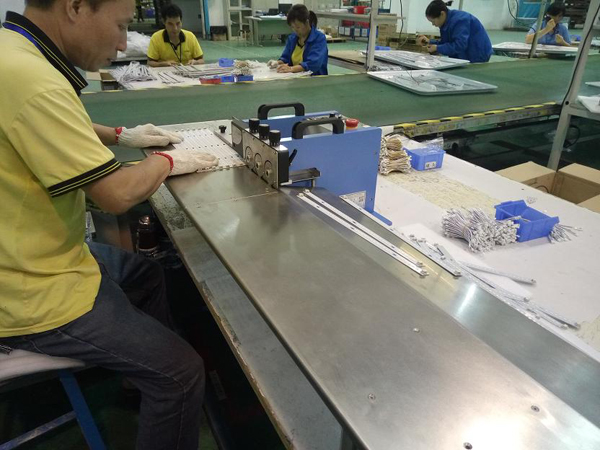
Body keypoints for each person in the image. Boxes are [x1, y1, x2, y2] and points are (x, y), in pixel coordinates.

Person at [0, 1, 219, 449]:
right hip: (31, 290)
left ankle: (138, 383)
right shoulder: (31, 78)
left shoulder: (14, 50)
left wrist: (122, 136)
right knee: (181, 373)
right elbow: (116, 193)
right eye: (120, 26)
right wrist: (168, 161)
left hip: (34, 251)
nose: (122, 44)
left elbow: (58, 122)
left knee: (147, 275)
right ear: (76, 7)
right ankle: (164, 388)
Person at [416, 0, 492, 63]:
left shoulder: (460, 20)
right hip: (465, 53)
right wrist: (429, 42)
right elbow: (446, 43)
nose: (433, 24)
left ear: (442, 14)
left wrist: (437, 48)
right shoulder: (445, 22)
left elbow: (460, 45)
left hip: (477, 54)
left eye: (433, 21)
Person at [276, 4, 328, 75]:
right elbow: (286, 58)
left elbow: (314, 63)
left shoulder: (319, 38)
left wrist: (291, 69)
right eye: (292, 27)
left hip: (314, 78)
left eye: (298, 27)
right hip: (295, 77)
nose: (295, 30)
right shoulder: (292, 38)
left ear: (307, 22)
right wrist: (278, 63)